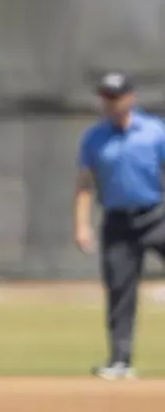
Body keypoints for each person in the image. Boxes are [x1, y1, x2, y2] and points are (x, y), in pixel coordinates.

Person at [72, 70, 160, 380]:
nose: (110, 103)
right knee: (120, 289)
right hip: (118, 221)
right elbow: (85, 183)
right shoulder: (95, 137)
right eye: (106, 97)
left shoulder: (154, 132)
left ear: (130, 98)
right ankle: (120, 360)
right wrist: (82, 225)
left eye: (116, 96)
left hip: (157, 215)